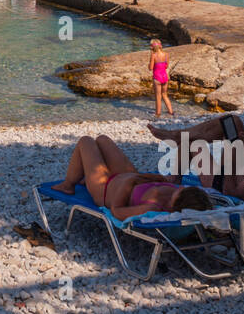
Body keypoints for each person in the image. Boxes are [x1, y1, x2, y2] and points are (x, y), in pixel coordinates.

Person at [54, 135, 213, 217]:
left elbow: (117, 211)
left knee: (86, 141)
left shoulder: (152, 207)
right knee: (102, 140)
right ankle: (84, 176)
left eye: (177, 193)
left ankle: (68, 184)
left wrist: (130, 183)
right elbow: (158, 180)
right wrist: (145, 179)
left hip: (105, 189)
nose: (175, 189)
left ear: (176, 204)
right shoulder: (176, 192)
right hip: (128, 176)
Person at [148, 39, 172, 117]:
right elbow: (166, 66)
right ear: (160, 46)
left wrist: (149, 63)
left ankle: (158, 114)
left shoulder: (153, 55)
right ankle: (171, 112)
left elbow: (151, 68)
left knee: (158, 97)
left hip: (157, 77)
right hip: (165, 77)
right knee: (165, 95)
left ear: (152, 47)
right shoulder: (166, 54)